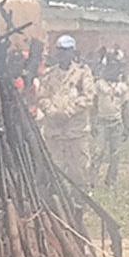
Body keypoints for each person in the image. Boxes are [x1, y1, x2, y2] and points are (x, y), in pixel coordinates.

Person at [37, 35, 96, 194]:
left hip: (76, 132)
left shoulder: (82, 73)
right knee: (56, 170)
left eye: (66, 50)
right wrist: (51, 111)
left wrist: (69, 111)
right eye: (60, 50)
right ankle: (59, 200)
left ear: (72, 52)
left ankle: (80, 201)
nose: (62, 54)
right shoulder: (49, 74)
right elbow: (42, 97)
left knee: (79, 170)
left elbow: (88, 97)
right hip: (55, 132)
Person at [92, 53, 129, 189]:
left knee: (115, 153)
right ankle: (92, 180)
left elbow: (125, 107)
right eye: (111, 67)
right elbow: (94, 104)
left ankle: (111, 181)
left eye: (116, 67)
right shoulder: (99, 84)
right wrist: (92, 122)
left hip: (116, 123)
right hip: (102, 122)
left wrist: (127, 126)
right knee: (98, 152)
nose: (113, 70)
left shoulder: (123, 87)